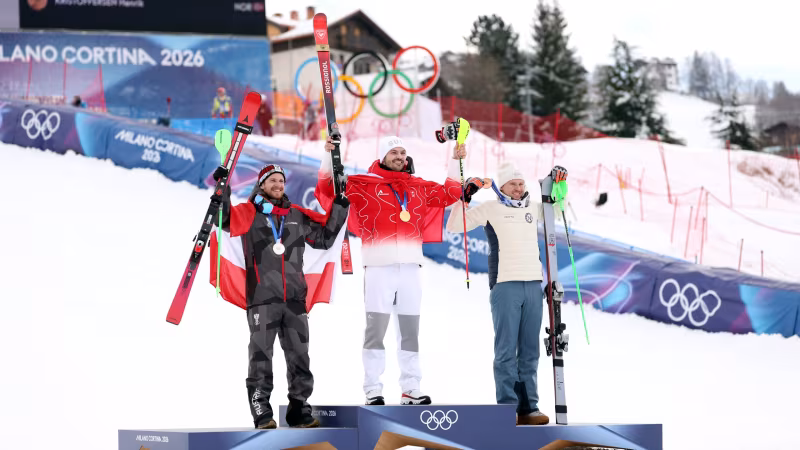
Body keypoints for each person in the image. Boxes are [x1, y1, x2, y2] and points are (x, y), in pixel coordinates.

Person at [321, 135, 466, 406]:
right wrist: (328, 156)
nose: (400, 157)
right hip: (378, 267)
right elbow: (329, 189)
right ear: (383, 157)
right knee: (376, 331)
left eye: (403, 152)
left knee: (410, 331)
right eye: (394, 152)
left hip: (411, 268)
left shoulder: (417, 187)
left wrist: (456, 161)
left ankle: (411, 388)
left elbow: (449, 194)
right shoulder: (364, 185)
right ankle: (373, 389)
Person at [212, 162, 350, 429]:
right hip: (262, 299)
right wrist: (223, 187)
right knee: (261, 357)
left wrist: (340, 205)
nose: (278, 185)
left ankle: (299, 409)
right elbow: (225, 218)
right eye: (272, 180)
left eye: (281, 181)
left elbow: (324, 239)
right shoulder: (249, 213)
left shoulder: (296, 215)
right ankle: (262, 410)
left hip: (295, 300)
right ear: (262, 185)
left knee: (300, 356)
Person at [445, 161, 567, 426]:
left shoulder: (533, 209)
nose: (518, 188)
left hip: (534, 286)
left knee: (530, 351)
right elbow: (454, 225)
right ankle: (507, 410)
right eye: (513, 184)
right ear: (501, 186)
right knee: (505, 351)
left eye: (521, 183)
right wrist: (464, 198)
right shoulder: (491, 209)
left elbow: (558, 212)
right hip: (505, 285)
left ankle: (529, 408)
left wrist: (559, 184)